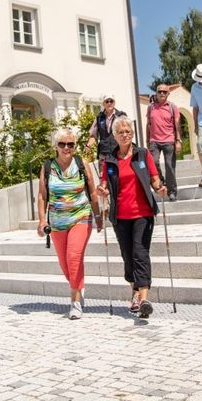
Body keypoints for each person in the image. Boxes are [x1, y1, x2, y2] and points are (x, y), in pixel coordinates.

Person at [97, 116, 167, 319]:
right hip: (120, 216)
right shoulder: (110, 160)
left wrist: (159, 188)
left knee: (140, 253)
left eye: (128, 131)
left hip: (143, 214)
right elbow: (104, 184)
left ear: (132, 134)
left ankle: (144, 299)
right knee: (128, 257)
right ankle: (135, 293)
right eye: (121, 132)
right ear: (115, 135)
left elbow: (154, 178)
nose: (125, 135)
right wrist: (102, 191)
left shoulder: (142, 154)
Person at [37, 128, 103, 320]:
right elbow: (42, 196)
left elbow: (92, 191)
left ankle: (75, 302)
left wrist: (97, 215)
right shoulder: (48, 167)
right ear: (56, 146)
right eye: (62, 144)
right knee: (65, 264)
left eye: (71, 144)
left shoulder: (82, 163)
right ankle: (78, 287)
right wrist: (42, 220)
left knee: (74, 257)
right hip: (57, 222)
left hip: (80, 217)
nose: (67, 148)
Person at [146, 84, 181, 200]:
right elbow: (148, 124)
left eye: (164, 92)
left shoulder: (172, 107)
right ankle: (161, 180)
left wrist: (178, 141)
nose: (162, 93)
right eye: (159, 91)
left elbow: (177, 125)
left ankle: (172, 191)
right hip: (154, 141)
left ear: (168, 94)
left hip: (169, 140)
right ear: (156, 93)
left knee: (169, 166)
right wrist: (147, 140)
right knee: (153, 162)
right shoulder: (150, 107)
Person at [86, 93, 126, 160]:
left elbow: (126, 132)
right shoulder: (99, 117)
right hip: (103, 154)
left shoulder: (121, 116)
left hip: (119, 153)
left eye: (111, 101)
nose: (109, 103)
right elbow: (93, 135)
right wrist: (88, 145)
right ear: (103, 104)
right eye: (107, 101)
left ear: (114, 103)